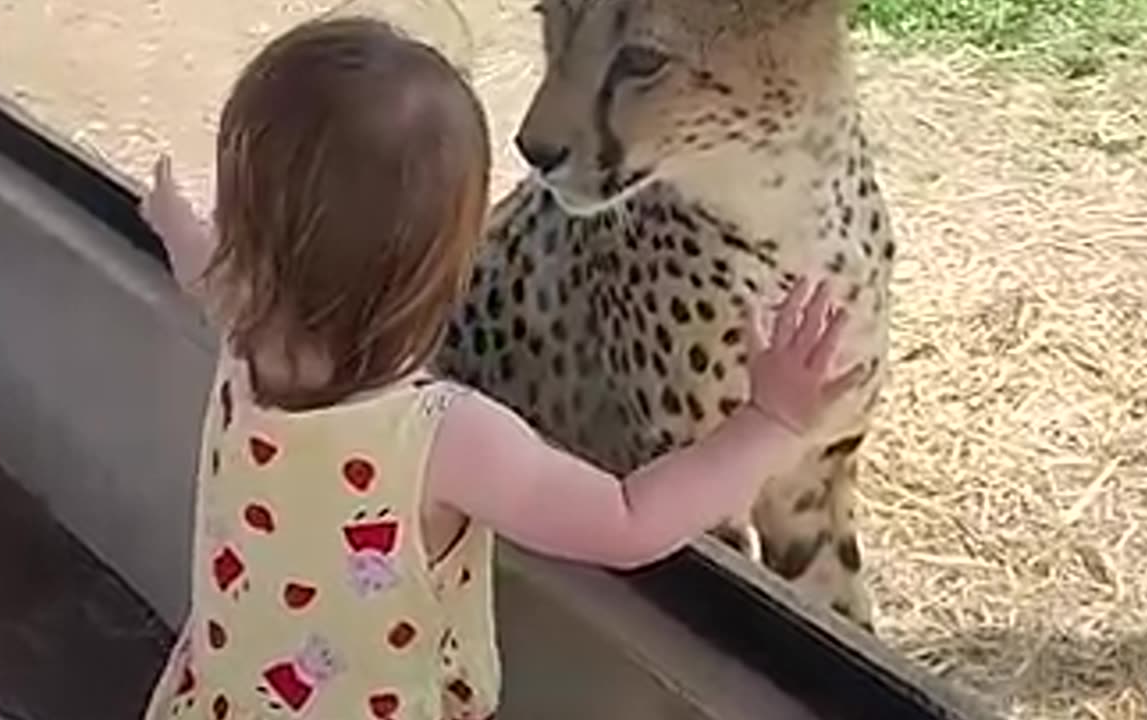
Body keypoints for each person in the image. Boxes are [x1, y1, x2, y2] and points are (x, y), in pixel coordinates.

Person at [138, 15, 861, 720]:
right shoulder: (443, 437)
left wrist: (180, 230)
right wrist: (766, 425)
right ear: (452, 255)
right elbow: (628, 520)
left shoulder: (250, 339)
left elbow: (212, 283)